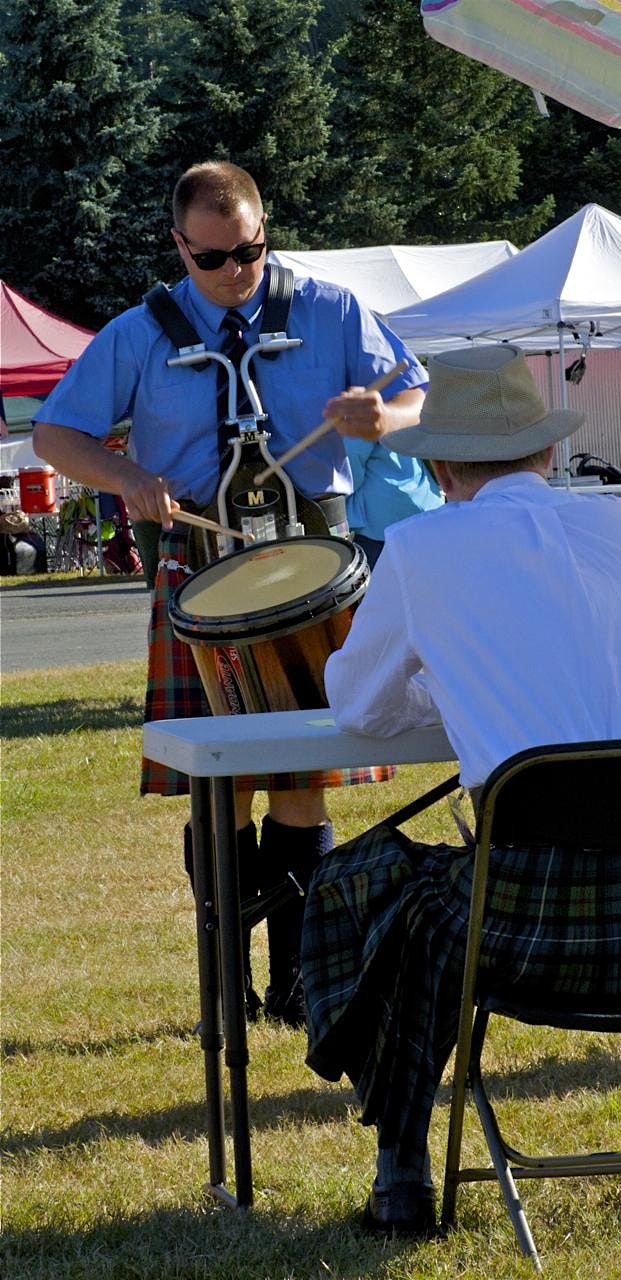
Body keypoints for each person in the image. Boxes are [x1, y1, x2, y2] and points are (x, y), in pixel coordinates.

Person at [301, 345, 621, 1234]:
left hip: (520, 930)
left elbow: (358, 704)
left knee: (358, 885)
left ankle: (402, 1175)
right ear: (547, 453)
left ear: (437, 467)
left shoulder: (420, 546)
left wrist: (450, 683)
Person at [32, 160, 427, 1027]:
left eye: (249, 250)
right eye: (212, 260)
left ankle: (297, 984)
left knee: (302, 778)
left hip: (314, 577)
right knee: (223, 786)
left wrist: (383, 418)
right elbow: (57, 434)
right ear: (179, 245)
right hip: (197, 571)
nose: (235, 273)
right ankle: (225, 982)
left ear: (263, 226)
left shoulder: (330, 309)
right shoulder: (140, 332)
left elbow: (416, 395)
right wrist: (128, 475)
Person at [344, 437, 443, 568]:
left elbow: (350, 460)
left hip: (380, 524)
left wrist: (337, 496)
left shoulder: (362, 417)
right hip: (427, 507)